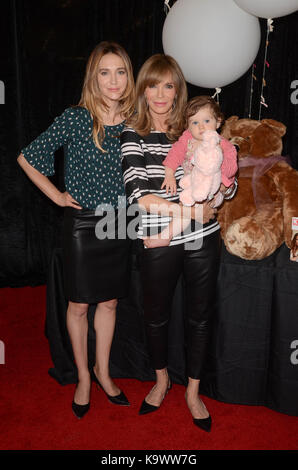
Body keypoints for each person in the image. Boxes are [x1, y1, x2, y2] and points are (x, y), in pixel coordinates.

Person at [17, 41, 135, 419]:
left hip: (120, 219)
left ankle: (103, 370)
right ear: (94, 77)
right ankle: (84, 375)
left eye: (120, 72)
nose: (113, 80)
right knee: (80, 303)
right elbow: (28, 157)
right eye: (105, 72)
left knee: (111, 301)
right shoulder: (76, 117)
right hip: (83, 223)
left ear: (129, 77)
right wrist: (56, 196)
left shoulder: (137, 120)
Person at [121, 53, 237, 432]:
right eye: (152, 84)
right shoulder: (131, 132)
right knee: (155, 314)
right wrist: (192, 214)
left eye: (168, 85)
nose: (159, 94)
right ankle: (161, 380)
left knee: (200, 316)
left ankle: (193, 391)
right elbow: (140, 196)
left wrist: (224, 179)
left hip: (202, 239)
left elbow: (223, 180)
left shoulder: (193, 129)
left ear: (178, 90)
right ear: (142, 89)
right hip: (159, 237)